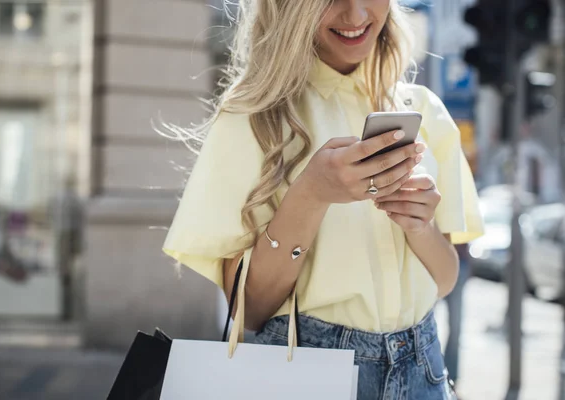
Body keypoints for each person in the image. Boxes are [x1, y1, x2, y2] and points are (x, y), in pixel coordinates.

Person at [162, 1, 484, 399]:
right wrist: (311, 194)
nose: (354, 16)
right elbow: (249, 308)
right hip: (308, 373)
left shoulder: (422, 110)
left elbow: (445, 279)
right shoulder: (254, 117)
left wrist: (419, 226)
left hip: (423, 371)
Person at [444, 243, 471, 390]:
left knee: (456, 328)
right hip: (428, 260)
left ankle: (451, 379)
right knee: (420, 325)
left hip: (460, 263)